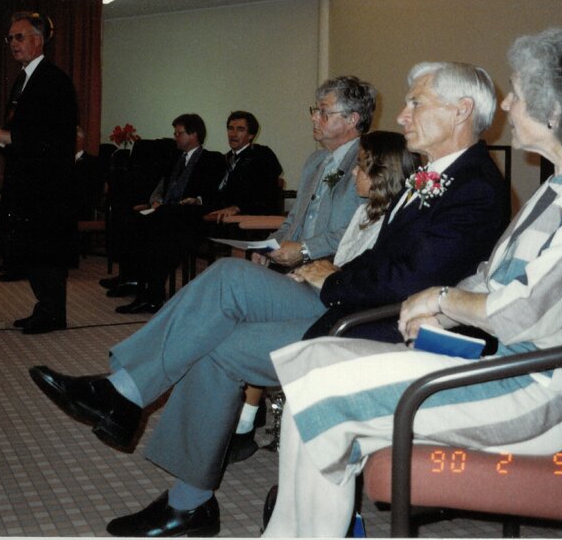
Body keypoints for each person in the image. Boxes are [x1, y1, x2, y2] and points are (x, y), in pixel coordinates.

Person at [28, 64, 510, 537]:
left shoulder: (473, 188)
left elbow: (410, 279)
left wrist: (331, 280)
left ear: (461, 111)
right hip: (350, 301)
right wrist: (332, 274)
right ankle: (159, 450)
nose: (402, 115)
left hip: (378, 327)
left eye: (415, 103)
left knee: (219, 329)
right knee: (226, 282)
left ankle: (135, 415)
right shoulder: (438, 173)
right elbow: (386, 257)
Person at [262, 25, 562, 537]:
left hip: (541, 392)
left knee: (318, 390)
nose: (507, 104)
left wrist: (442, 298)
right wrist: (438, 308)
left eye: (518, 92)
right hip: (505, 367)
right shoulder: (561, 186)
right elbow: (494, 275)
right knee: (308, 368)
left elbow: (523, 311)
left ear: (556, 111)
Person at [0, 11, 78, 335]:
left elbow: (59, 135)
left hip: (47, 185)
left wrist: (15, 138)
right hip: (27, 178)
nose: (13, 43)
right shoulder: (23, 78)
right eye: (10, 38)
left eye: (19, 36)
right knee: (32, 251)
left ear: (38, 40)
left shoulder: (54, 80)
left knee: (46, 251)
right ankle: (44, 307)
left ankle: (53, 313)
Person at [107, 114, 227, 314]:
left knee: (154, 231)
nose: (175, 137)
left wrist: (197, 199)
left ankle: (150, 293)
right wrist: (155, 200)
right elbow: (162, 185)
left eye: (179, 133)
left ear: (194, 134)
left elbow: (213, 192)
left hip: (190, 216)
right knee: (130, 219)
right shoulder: (175, 158)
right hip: (167, 211)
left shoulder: (211, 159)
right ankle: (133, 278)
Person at [204, 111, 284, 222]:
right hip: (218, 213)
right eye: (230, 128)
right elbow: (215, 190)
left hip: (248, 218)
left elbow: (265, 192)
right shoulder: (223, 159)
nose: (233, 134)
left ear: (251, 135)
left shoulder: (262, 155)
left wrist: (238, 207)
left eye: (240, 129)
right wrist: (199, 200)